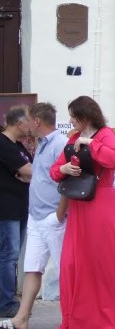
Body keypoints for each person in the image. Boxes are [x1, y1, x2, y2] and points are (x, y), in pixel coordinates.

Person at [49, 96, 115, 328]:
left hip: (101, 204)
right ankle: (80, 316)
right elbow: (54, 171)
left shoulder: (105, 134)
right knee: (74, 262)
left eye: (74, 116)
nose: (71, 120)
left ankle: (109, 317)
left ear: (87, 116)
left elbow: (113, 159)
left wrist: (91, 144)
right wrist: (64, 168)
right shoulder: (71, 138)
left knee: (104, 260)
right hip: (79, 205)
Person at [2, 104, 68, 329]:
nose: (27, 124)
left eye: (29, 119)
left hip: (51, 216)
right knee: (32, 267)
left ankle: (71, 319)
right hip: (35, 216)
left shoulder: (59, 143)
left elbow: (68, 180)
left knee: (64, 270)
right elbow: (41, 174)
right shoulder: (41, 144)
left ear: (37, 122)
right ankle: (21, 318)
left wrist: (59, 215)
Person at [0, 106, 32, 319]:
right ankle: (6, 303)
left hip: (20, 207)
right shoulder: (3, 144)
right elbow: (30, 170)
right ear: (19, 123)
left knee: (12, 256)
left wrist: (28, 173)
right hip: (6, 208)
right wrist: (27, 172)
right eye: (28, 121)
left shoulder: (18, 145)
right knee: (8, 256)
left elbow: (31, 169)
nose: (31, 125)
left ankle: (7, 300)